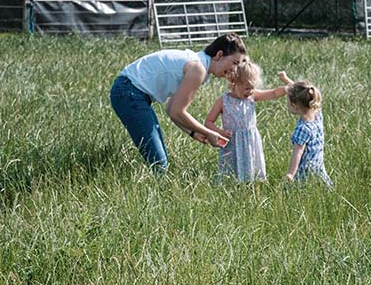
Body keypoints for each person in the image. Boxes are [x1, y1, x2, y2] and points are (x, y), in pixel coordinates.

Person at [110, 33, 245, 172]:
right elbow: (177, 111)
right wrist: (208, 132)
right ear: (219, 55)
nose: (234, 70)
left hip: (130, 91)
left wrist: (192, 132)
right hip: (129, 93)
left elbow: (171, 109)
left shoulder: (196, 62)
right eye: (234, 63)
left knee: (159, 160)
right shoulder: (197, 69)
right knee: (158, 163)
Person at [202, 57, 290, 182]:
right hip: (231, 142)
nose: (250, 91)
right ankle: (231, 189)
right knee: (230, 175)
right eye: (247, 88)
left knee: (251, 172)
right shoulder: (223, 100)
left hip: (250, 141)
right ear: (234, 82)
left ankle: (251, 188)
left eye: (252, 87)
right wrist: (220, 132)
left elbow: (274, 93)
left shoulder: (252, 96)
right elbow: (208, 122)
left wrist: (287, 88)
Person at [283, 77, 332, 186]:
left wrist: (291, 173)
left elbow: (297, 153)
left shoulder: (303, 129)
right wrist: (286, 80)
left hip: (305, 173)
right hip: (318, 168)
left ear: (294, 105)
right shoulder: (317, 114)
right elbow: (302, 93)